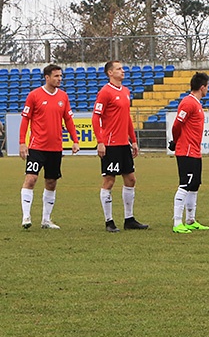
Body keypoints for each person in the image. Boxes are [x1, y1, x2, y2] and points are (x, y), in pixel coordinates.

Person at [19, 64, 80, 229]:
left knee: (51, 182)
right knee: (31, 179)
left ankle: (46, 220)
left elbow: (68, 119)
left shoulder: (63, 97)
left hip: (55, 148)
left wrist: (75, 140)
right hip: (37, 146)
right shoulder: (34, 96)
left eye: (60, 76)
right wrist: (22, 143)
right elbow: (25, 119)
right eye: (56, 76)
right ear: (47, 77)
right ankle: (26, 217)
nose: (59, 79)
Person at [93, 60, 148, 232]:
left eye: (123, 68)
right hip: (110, 144)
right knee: (109, 181)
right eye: (119, 69)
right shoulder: (105, 92)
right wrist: (100, 141)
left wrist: (133, 140)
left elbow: (127, 118)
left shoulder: (125, 91)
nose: (123, 71)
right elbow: (96, 117)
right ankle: (109, 222)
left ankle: (129, 219)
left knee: (131, 179)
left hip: (124, 144)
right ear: (110, 73)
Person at [170, 72, 209, 234]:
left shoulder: (196, 103)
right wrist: (176, 141)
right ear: (202, 87)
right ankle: (177, 222)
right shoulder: (188, 103)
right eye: (207, 86)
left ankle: (191, 219)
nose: (208, 89)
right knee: (185, 184)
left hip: (194, 151)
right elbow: (176, 125)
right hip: (186, 150)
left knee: (194, 185)